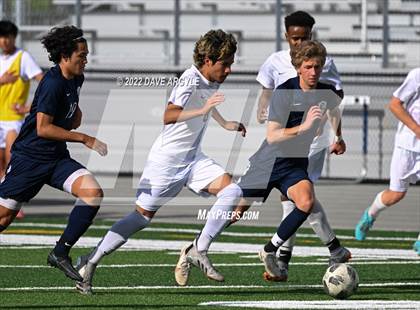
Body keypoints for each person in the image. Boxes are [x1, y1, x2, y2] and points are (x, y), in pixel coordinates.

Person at [75, 29, 246, 294]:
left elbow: (205, 103)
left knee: (232, 191)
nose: (229, 70)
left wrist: (225, 124)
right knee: (141, 218)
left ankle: (197, 248)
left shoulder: (207, 81)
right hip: (166, 162)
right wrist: (202, 110)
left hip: (193, 159)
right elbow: (169, 114)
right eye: (226, 64)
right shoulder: (189, 79)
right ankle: (90, 260)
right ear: (209, 61)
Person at [0, 25, 107, 282]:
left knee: (93, 193)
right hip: (30, 159)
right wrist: (85, 138)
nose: (86, 59)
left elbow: (71, 116)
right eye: (82, 55)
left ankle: (60, 252)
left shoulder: (76, 78)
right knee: (3, 219)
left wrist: (75, 115)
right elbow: (43, 128)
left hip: (56, 157)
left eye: (87, 54)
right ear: (65, 56)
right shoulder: (52, 82)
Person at [234, 40, 349, 280]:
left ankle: (270, 251)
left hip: (295, 164)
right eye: (308, 66)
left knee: (305, 201)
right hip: (268, 162)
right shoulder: (285, 92)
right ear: (298, 67)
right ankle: (197, 246)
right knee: (235, 213)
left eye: (317, 66)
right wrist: (305, 126)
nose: (313, 71)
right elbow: (273, 136)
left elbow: (334, 108)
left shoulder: (326, 91)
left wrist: (338, 136)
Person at [355, 68, 420, 256]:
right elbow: (395, 105)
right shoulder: (417, 75)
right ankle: (370, 215)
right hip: (408, 145)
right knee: (396, 194)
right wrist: (416, 129)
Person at [0, 20, 44, 219]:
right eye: (1, 37)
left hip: (13, 119)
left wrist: (29, 108)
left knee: (12, 160)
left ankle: (14, 203)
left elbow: (42, 82)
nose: (4, 41)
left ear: (14, 38)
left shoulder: (23, 57)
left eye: (8, 37)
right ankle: (4, 202)